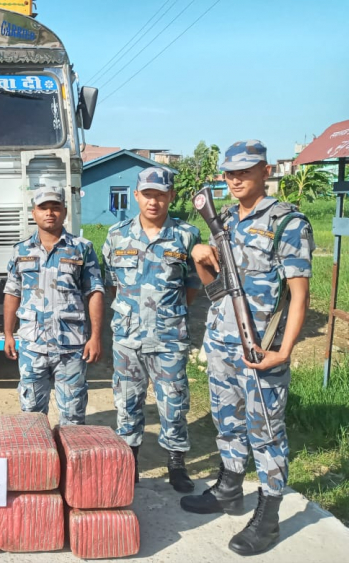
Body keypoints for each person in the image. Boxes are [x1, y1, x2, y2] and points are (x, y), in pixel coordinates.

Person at [180, 140, 314, 556]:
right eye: (229, 172)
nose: (235, 178)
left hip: (261, 347)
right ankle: (228, 489)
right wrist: (200, 254)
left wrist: (285, 349)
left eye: (245, 170)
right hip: (222, 341)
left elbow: (299, 293)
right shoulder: (223, 221)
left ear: (266, 171)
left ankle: (269, 516)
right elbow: (214, 288)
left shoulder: (286, 222)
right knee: (227, 420)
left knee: (266, 432)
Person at [101, 167, 201, 492]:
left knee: (173, 403)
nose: (154, 201)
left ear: (171, 196)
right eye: (148, 194)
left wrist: (167, 313)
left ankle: (176, 463)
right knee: (127, 403)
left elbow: (191, 285)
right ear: (136, 196)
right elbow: (113, 285)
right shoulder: (116, 235)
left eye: (161, 194)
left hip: (169, 338)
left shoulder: (186, 235)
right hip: (127, 340)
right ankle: (129, 464)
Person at [3, 186, 104, 426]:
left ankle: (69, 463)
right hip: (32, 344)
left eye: (55, 207)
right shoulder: (20, 251)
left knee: (73, 416)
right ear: (33, 213)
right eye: (43, 208)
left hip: (71, 345)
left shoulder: (83, 248)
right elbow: (12, 293)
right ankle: (38, 463)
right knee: (32, 415)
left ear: (65, 212)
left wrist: (96, 337)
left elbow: (95, 292)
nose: (50, 213)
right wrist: (8, 333)